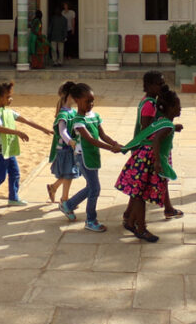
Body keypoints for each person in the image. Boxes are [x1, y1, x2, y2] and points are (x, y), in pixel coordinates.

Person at [0, 81, 52, 208]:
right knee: (0, 178)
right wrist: (17, 132)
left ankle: (13, 198)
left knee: (15, 173)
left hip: (8, 150)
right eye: (7, 97)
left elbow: (26, 120)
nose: (10, 99)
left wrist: (44, 129)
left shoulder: (9, 112)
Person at [117, 85, 181, 242]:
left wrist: (173, 127)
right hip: (148, 162)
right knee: (140, 195)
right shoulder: (165, 126)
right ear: (171, 108)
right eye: (179, 106)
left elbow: (156, 132)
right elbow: (158, 139)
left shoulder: (161, 121)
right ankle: (141, 229)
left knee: (138, 193)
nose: (181, 109)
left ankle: (131, 222)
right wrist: (158, 162)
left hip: (141, 159)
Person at [59, 83, 122, 232]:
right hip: (83, 157)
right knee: (95, 188)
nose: (91, 104)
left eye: (92, 101)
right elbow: (91, 140)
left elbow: (102, 135)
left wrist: (114, 143)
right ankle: (90, 220)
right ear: (77, 100)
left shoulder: (95, 116)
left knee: (91, 187)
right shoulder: (78, 121)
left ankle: (68, 205)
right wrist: (111, 148)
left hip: (93, 156)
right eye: (87, 101)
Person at [132, 71, 183, 221]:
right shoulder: (149, 104)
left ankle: (167, 208)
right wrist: (164, 133)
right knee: (140, 185)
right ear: (148, 86)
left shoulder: (151, 101)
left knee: (156, 180)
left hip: (154, 149)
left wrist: (171, 127)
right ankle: (133, 216)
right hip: (150, 150)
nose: (162, 86)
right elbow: (148, 130)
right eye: (159, 84)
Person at [47, 81, 79, 204]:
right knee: (68, 174)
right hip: (65, 149)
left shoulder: (73, 112)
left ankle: (54, 188)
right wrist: (71, 142)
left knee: (68, 173)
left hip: (71, 148)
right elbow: (62, 132)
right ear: (68, 96)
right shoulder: (63, 114)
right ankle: (64, 199)